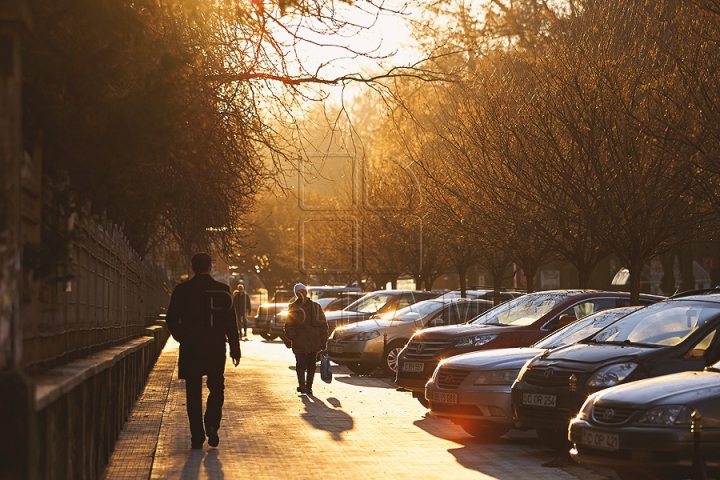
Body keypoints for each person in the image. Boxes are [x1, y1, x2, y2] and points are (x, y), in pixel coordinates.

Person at [166, 253, 241, 450]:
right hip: (215, 347)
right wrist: (235, 348)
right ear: (210, 267)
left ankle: (197, 436)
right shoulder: (223, 290)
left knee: (193, 392)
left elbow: (171, 319)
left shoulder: (182, 290)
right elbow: (230, 324)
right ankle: (212, 423)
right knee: (217, 387)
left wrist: (183, 336)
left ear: (192, 267)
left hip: (191, 348)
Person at [283, 283, 329, 395]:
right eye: (299, 292)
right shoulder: (293, 307)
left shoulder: (315, 306)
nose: (302, 294)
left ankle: (309, 387)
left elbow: (323, 324)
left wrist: (323, 340)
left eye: (303, 291)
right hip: (299, 341)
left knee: (311, 365)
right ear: (296, 294)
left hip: (314, 340)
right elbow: (288, 326)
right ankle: (302, 386)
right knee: (301, 363)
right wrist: (294, 337)